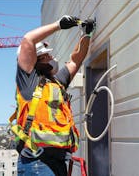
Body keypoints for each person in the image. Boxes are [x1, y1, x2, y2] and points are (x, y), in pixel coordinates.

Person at [13, 15, 95, 176]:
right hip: (37, 163)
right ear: (35, 61)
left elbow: (75, 61)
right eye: (46, 56)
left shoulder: (56, 82)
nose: (52, 58)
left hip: (58, 161)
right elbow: (28, 40)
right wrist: (58, 25)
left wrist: (87, 34)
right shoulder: (28, 82)